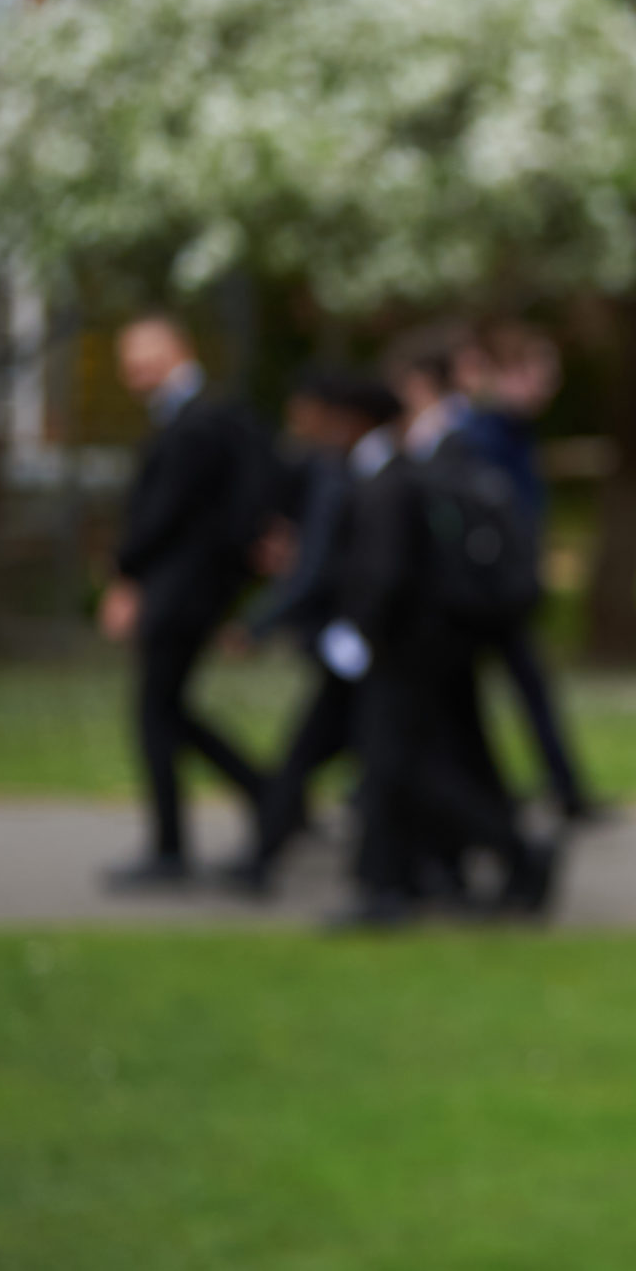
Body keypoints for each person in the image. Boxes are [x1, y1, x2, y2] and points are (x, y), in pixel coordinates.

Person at [330, 329, 556, 926]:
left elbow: (401, 556)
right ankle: (425, 873)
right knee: (424, 759)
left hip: (420, 633)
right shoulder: (436, 448)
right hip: (434, 630)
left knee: (403, 762)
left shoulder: (436, 449)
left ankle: (495, 860)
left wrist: (365, 625)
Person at [98, 313, 273, 889]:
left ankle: (174, 847)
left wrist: (126, 573)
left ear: (178, 350)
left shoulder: (198, 424)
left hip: (183, 592)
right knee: (167, 710)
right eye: (128, 359)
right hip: (189, 589)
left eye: (145, 354)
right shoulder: (202, 419)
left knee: (157, 713)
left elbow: (165, 515)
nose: (134, 369)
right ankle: (269, 794)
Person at [222, 369, 401, 893]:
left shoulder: (349, 471)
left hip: (355, 642)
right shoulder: (344, 469)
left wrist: (256, 624)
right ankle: (265, 857)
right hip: (354, 643)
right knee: (332, 755)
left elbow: (322, 567)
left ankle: (267, 859)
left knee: (324, 755)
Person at [455, 320, 603, 825]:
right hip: (488, 593)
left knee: (527, 691)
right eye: (539, 374)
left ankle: (564, 791)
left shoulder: (513, 433)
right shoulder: (481, 436)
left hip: (507, 591)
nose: (548, 386)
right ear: (506, 374)